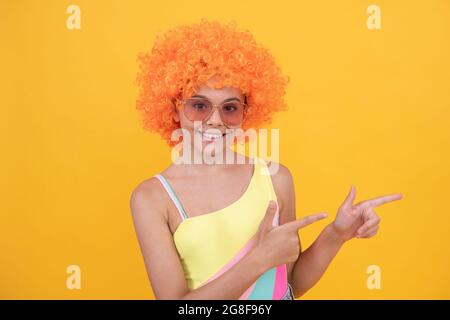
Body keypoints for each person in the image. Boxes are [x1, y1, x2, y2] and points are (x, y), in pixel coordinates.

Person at [130, 18, 403, 300]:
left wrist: (337, 234)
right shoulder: (152, 198)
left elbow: (291, 282)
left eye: (230, 108)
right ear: (173, 110)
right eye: (199, 106)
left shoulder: (275, 178)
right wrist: (258, 260)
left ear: (245, 114)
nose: (215, 121)